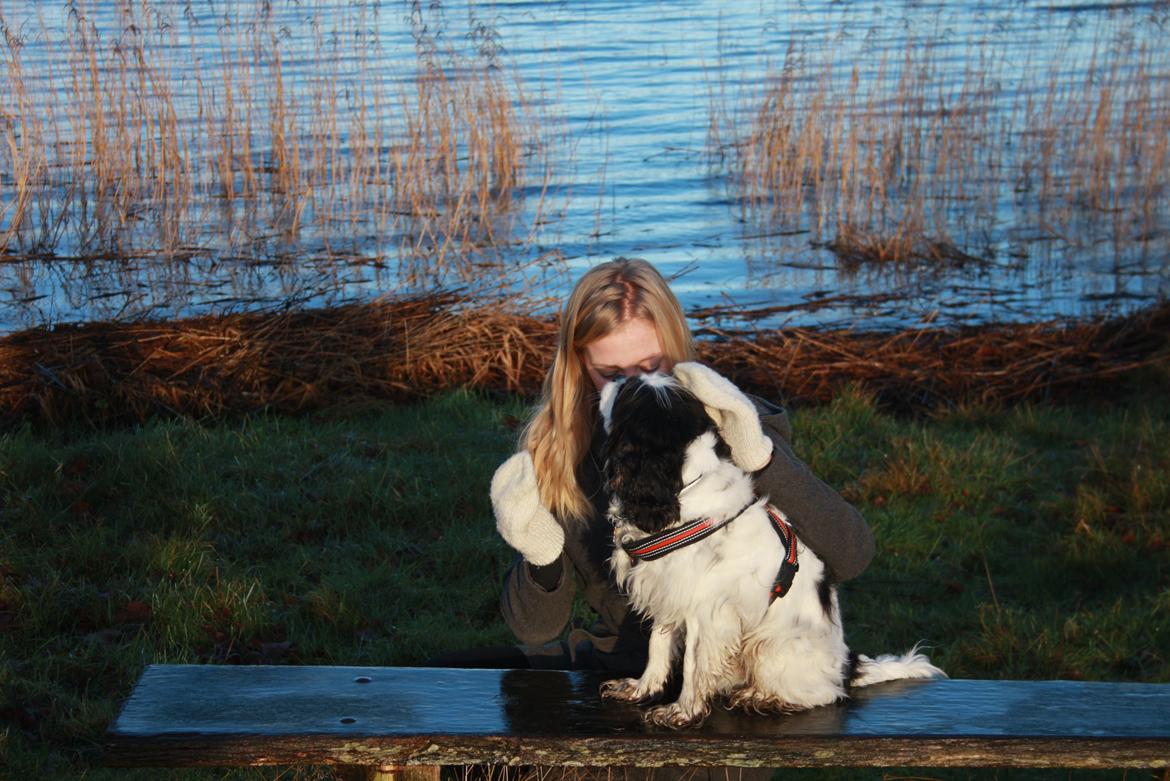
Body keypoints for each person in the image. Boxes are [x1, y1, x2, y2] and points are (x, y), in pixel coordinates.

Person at [434, 258, 874, 671]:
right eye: (612, 374)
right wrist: (541, 554)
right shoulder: (561, 454)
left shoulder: (734, 421)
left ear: (677, 349)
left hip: (745, 665)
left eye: (651, 366)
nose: (634, 388)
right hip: (626, 663)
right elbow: (535, 628)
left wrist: (759, 458)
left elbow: (852, 554)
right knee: (446, 680)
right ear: (579, 366)